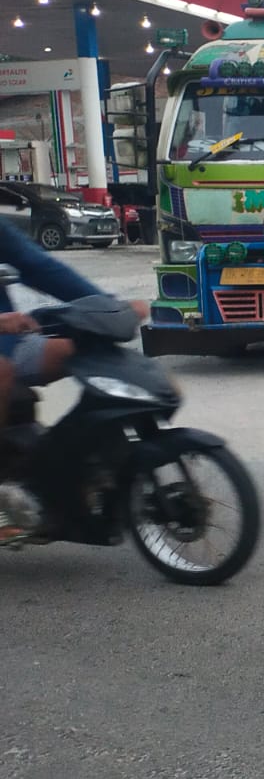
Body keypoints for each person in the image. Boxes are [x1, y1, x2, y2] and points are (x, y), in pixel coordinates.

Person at [0, 217, 140, 541]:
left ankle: (76, 467)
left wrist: (108, 307)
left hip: (9, 340)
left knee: (82, 349)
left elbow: (41, 266)